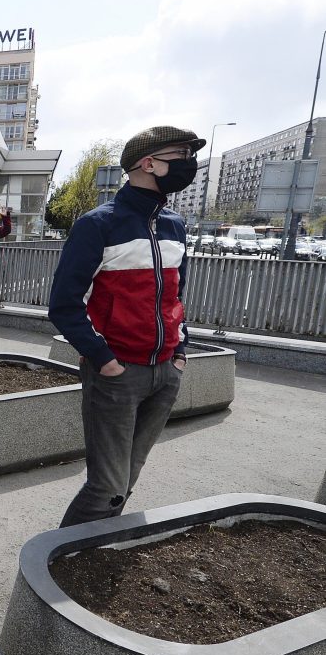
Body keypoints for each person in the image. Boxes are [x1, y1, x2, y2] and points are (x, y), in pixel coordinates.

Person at [48, 126, 205, 527]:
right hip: (117, 374)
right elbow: (64, 305)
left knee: (128, 478)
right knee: (107, 486)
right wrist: (104, 360)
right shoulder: (98, 225)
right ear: (147, 163)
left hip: (166, 371)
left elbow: (175, 297)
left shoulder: (174, 225)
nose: (189, 163)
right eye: (180, 155)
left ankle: (93, 548)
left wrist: (180, 353)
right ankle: (54, 560)